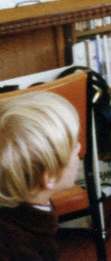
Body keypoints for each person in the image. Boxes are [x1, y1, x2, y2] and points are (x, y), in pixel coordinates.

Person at [0, 92, 81, 261]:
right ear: (49, 177)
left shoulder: (30, 209)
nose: (79, 148)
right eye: (73, 147)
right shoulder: (19, 248)